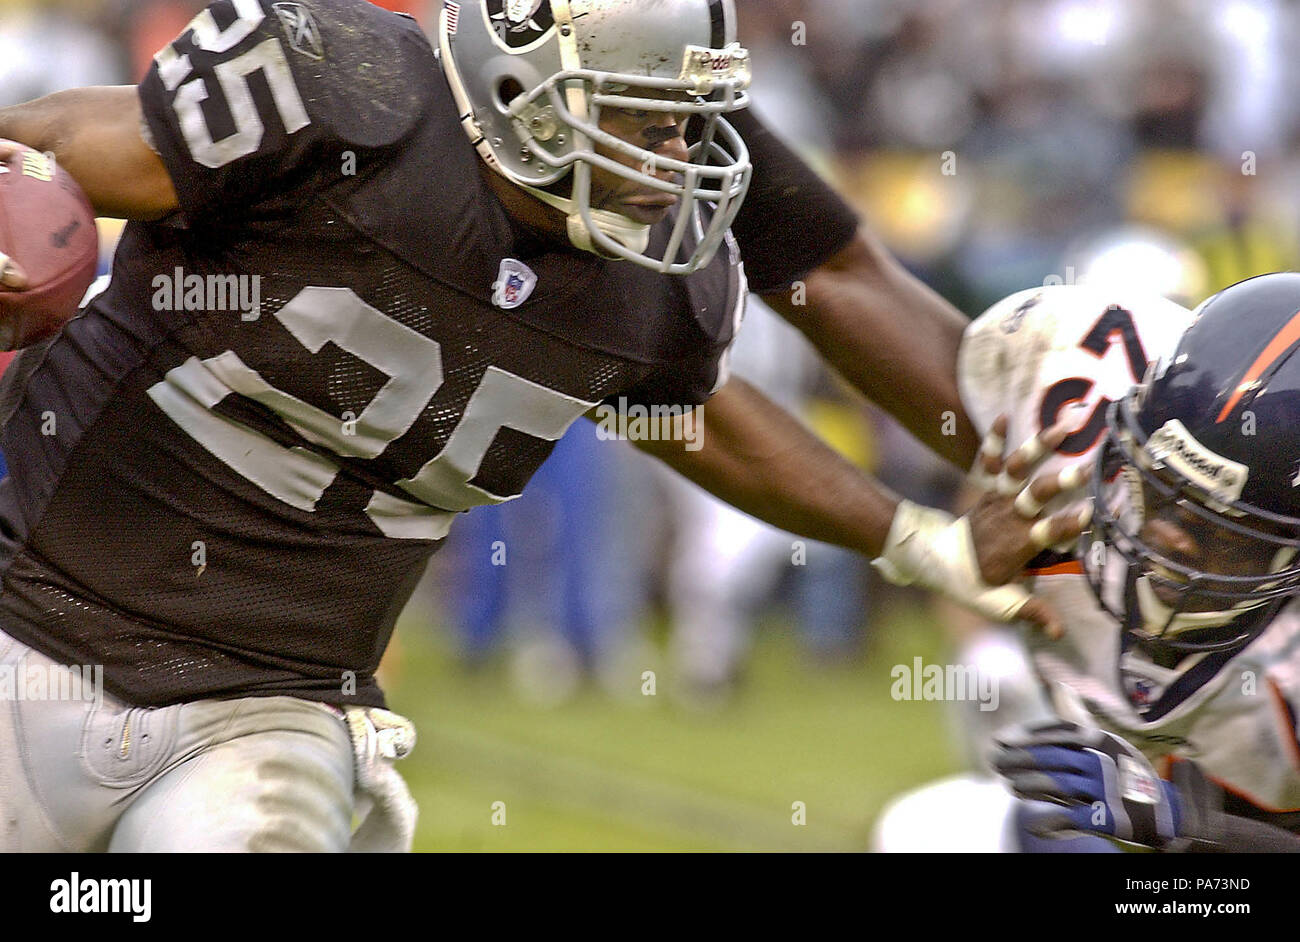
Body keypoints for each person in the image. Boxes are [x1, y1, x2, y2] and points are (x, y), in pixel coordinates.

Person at [0, 0, 1078, 852]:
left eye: (687, 124)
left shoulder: (652, 293)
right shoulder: (342, 97)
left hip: (270, 705)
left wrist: (919, 538)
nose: (673, 160)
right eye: (639, 119)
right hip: (29, 614)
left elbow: (683, 414)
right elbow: (46, 152)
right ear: (519, 85)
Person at [875, 274, 1300, 852]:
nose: (1169, 539)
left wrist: (1200, 831)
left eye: (1228, 531)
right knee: (925, 834)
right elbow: (826, 270)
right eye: (1163, 493)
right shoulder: (1078, 432)